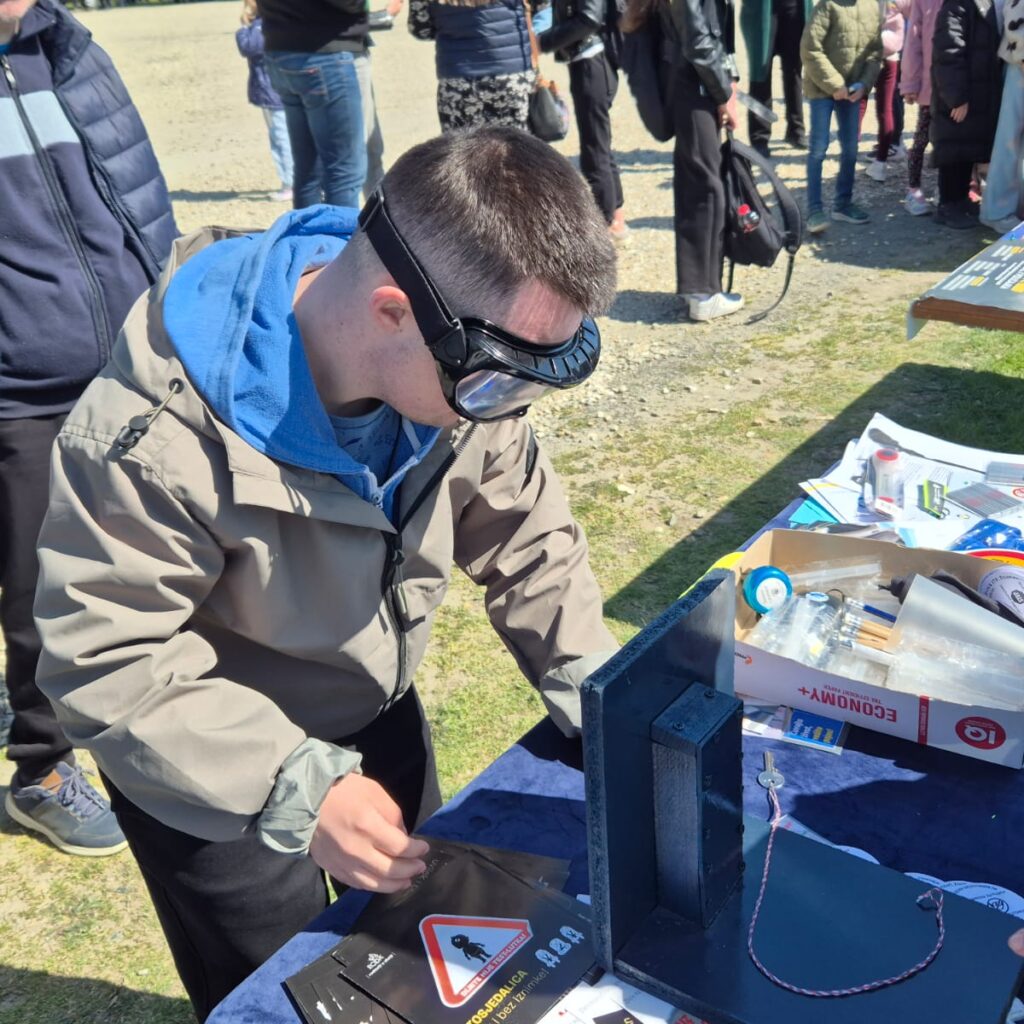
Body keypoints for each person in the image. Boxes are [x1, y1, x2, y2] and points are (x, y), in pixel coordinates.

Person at [33, 127, 619, 1021]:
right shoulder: (150, 436)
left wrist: (593, 689)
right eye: (500, 385)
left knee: (427, 968)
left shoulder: (459, 360)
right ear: (392, 313)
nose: (506, 411)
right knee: (281, 994)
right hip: (215, 776)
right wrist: (297, 787)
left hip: (374, 715)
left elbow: (526, 531)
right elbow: (105, 660)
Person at [0, 0, 176, 857]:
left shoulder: (65, 48)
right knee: (39, 587)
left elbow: (138, 194)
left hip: (125, 363)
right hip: (17, 394)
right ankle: (41, 771)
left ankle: (171, 724)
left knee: (150, 559)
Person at [665, 0, 744, 321]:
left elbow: (717, 32)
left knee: (697, 184)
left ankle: (697, 287)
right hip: (695, 86)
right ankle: (703, 293)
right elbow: (698, 40)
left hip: (696, 84)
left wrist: (729, 81)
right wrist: (723, 94)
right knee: (705, 188)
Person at [258, 0, 369, 209]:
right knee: (344, 172)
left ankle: (307, 230)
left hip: (281, 47)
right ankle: (337, 231)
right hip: (322, 52)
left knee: (308, 170)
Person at [538, 0, 629, 241]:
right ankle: (616, 217)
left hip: (592, 59)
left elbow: (589, 18)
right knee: (599, 144)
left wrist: (542, 42)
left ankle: (606, 222)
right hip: (591, 59)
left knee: (594, 148)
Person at [799, 0, 882, 233]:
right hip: (821, 89)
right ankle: (814, 210)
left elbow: (875, 53)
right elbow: (810, 49)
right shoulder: (827, 6)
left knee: (851, 149)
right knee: (818, 148)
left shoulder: (872, 6)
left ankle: (843, 203)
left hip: (852, 91)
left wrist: (864, 84)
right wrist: (835, 84)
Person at [929, 0, 1003, 229]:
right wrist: (956, 97)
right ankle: (948, 205)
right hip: (961, 93)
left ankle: (961, 200)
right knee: (953, 149)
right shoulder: (957, 3)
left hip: (979, 91)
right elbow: (948, 49)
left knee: (966, 147)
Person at [408, 0, 535, 131]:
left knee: (460, 141)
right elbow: (540, 7)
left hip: (457, 78)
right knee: (513, 141)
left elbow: (421, 29)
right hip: (510, 74)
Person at [236, 0, 293, 202]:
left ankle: (290, 182)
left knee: (281, 137)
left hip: (272, 91)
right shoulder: (273, 21)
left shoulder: (262, 25)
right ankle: (290, 180)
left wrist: (245, 27)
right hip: (272, 89)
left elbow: (248, 46)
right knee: (281, 136)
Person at [740, 0, 812, 158]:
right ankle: (759, 137)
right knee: (760, 73)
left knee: (794, 72)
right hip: (761, 10)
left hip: (795, 9)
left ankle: (796, 130)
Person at [979, 0, 1024, 234]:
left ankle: (1014, 207)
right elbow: (1015, 14)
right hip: (1020, 66)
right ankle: (996, 211)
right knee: (1009, 141)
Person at [899, 0, 941, 215]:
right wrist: (910, 84)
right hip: (929, 87)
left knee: (951, 141)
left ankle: (948, 186)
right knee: (922, 139)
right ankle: (913, 188)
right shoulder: (922, 2)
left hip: (958, 87)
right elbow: (913, 44)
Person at [863, 0, 906, 183]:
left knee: (858, 105)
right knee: (886, 108)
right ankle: (881, 162)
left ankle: (848, 160)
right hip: (891, 52)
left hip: (865, 50)